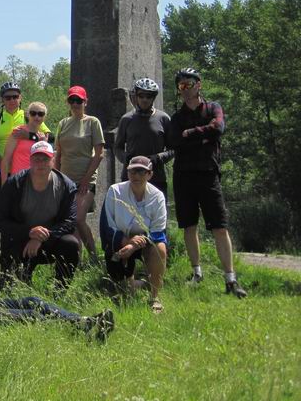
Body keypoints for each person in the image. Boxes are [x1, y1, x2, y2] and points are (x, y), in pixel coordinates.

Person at [169, 68, 246, 298]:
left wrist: (191, 133)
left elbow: (218, 128)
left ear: (199, 84)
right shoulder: (176, 117)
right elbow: (176, 142)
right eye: (181, 85)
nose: (185, 89)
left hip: (208, 173)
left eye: (189, 84)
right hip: (183, 175)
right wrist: (203, 137)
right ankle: (196, 273)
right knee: (189, 226)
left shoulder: (213, 108)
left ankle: (230, 278)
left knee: (220, 226)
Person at [0, 141, 80, 287]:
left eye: (45, 159)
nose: (41, 163)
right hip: (19, 241)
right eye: (36, 159)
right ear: (30, 160)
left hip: (51, 240)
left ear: (53, 160)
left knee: (71, 244)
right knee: (12, 290)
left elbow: (70, 222)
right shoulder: (14, 184)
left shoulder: (66, 186)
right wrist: (29, 232)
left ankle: (60, 291)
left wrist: (42, 237)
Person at [100, 156, 168, 313]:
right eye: (132, 171)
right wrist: (126, 242)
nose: (136, 176)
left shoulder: (157, 196)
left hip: (146, 244)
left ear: (150, 174)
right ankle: (136, 283)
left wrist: (134, 245)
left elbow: (158, 232)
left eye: (141, 171)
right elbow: (107, 226)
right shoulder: (115, 191)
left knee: (160, 249)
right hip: (120, 241)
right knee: (122, 289)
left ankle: (154, 297)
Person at [53, 85, 104, 261]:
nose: (75, 104)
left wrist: (85, 180)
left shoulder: (92, 122)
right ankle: (76, 260)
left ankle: (94, 257)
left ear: (85, 102)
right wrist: (56, 177)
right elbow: (58, 154)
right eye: (72, 100)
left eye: (79, 101)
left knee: (79, 218)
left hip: (86, 180)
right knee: (71, 222)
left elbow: (99, 154)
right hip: (65, 179)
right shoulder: (63, 124)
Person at [114, 78, 173, 197]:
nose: (145, 99)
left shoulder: (164, 118)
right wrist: (127, 158)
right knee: (128, 214)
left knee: (156, 215)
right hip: (130, 176)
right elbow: (118, 147)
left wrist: (157, 158)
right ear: (136, 96)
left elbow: (172, 149)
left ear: (153, 97)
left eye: (149, 96)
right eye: (141, 95)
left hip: (156, 177)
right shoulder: (126, 119)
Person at [0, 101, 53, 184]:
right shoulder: (18, 132)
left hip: (37, 183)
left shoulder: (43, 137)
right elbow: (6, 160)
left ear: (44, 117)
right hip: (19, 181)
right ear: (28, 114)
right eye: (33, 113)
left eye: (40, 114)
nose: (36, 117)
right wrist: (4, 185)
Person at [0, 81, 26, 160]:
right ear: (2, 100)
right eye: (8, 98)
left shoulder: (30, 116)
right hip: (3, 169)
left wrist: (29, 135)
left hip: (26, 168)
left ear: (20, 98)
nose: (12, 100)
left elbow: (45, 138)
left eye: (15, 97)